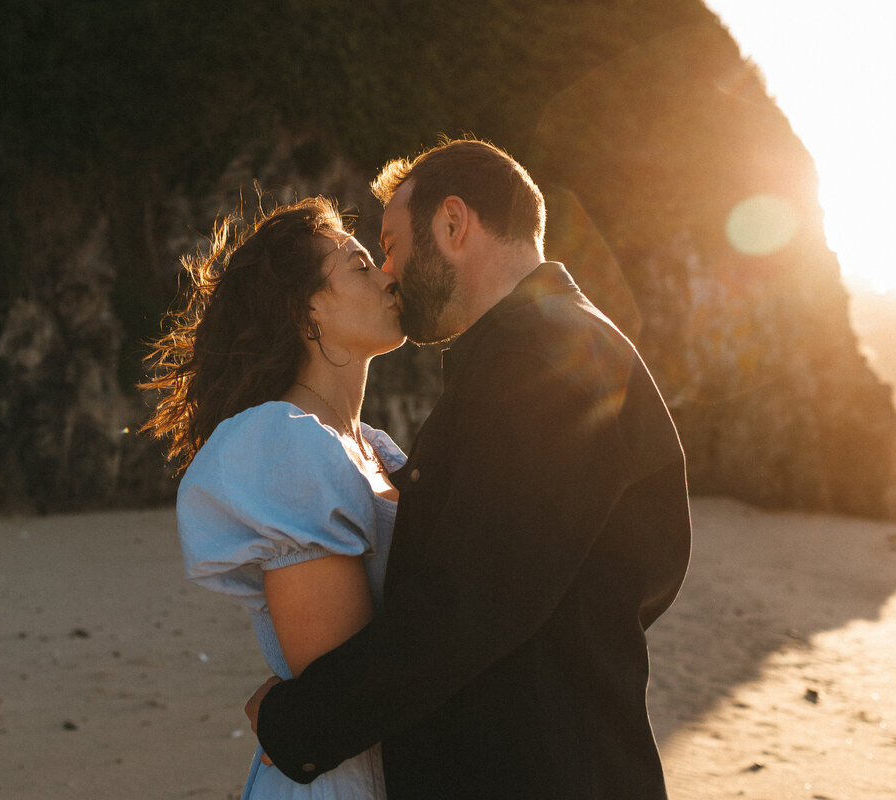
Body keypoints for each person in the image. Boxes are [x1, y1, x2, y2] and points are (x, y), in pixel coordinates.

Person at [246, 139, 692, 799]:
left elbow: (463, 607)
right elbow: (641, 574)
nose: (389, 273)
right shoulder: (546, 346)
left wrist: (297, 724)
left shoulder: (541, 362)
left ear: (454, 225)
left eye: (392, 246)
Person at [142, 196, 406, 798]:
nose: (388, 276)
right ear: (307, 310)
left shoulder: (372, 448)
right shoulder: (286, 445)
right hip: (343, 779)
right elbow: (337, 694)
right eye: (360, 266)